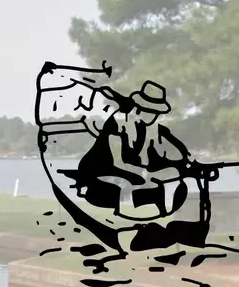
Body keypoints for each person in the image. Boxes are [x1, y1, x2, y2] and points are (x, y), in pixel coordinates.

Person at [70, 80, 190, 217]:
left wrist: (178, 161)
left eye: (156, 113)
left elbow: (149, 159)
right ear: (140, 108)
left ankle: (155, 207)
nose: (154, 116)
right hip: (98, 169)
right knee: (138, 183)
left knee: (151, 184)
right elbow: (120, 160)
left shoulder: (146, 128)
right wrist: (135, 175)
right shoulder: (119, 122)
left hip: (120, 170)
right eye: (151, 111)